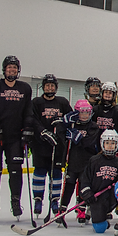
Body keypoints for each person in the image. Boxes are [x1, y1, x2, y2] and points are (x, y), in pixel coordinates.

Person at [0, 55, 34, 220]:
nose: (11, 70)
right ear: (4, 69)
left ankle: (15, 201)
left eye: (14, 68)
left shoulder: (25, 88)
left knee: (15, 170)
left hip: (15, 138)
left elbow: (28, 111)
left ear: (18, 70)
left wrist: (27, 129)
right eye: (9, 67)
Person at [29, 74, 72, 219]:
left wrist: (62, 122)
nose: (50, 88)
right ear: (43, 87)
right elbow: (32, 119)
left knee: (56, 174)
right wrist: (43, 132)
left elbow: (70, 118)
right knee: (39, 172)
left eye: (52, 85)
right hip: (40, 145)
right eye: (47, 85)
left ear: (56, 87)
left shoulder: (62, 102)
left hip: (57, 146)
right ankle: (38, 200)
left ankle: (54, 201)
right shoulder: (36, 102)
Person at [57, 99, 100, 225]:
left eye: (87, 112)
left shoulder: (93, 126)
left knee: (83, 187)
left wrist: (77, 137)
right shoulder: (72, 125)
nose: (85, 115)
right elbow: (60, 134)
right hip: (72, 162)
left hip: (87, 163)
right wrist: (64, 122)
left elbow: (89, 143)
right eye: (82, 112)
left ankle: (81, 209)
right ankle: (62, 210)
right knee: (69, 185)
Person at [78, 130, 118, 234]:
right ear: (102, 143)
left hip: (112, 197)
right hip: (97, 198)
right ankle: (101, 218)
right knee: (99, 229)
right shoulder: (94, 160)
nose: (110, 146)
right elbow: (85, 179)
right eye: (107, 143)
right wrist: (87, 193)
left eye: (112, 143)